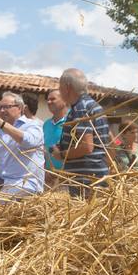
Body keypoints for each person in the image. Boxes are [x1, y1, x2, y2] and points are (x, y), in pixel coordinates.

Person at [0, 91, 46, 198]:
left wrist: (2, 124)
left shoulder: (33, 125)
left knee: (3, 202)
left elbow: (28, 141)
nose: (1, 111)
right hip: (0, 181)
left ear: (20, 108)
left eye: (6, 107)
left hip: (26, 183)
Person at [52, 68, 111, 197]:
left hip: (86, 179)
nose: (60, 91)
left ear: (67, 87)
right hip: (96, 174)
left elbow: (86, 147)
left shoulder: (80, 109)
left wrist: (61, 154)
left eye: (60, 87)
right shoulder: (92, 105)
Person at [43, 88, 67, 177]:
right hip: (50, 179)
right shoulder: (46, 124)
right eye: (48, 100)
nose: (49, 102)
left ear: (64, 100)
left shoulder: (73, 121)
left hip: (69, 179)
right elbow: (44, 151)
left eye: (53, 99)